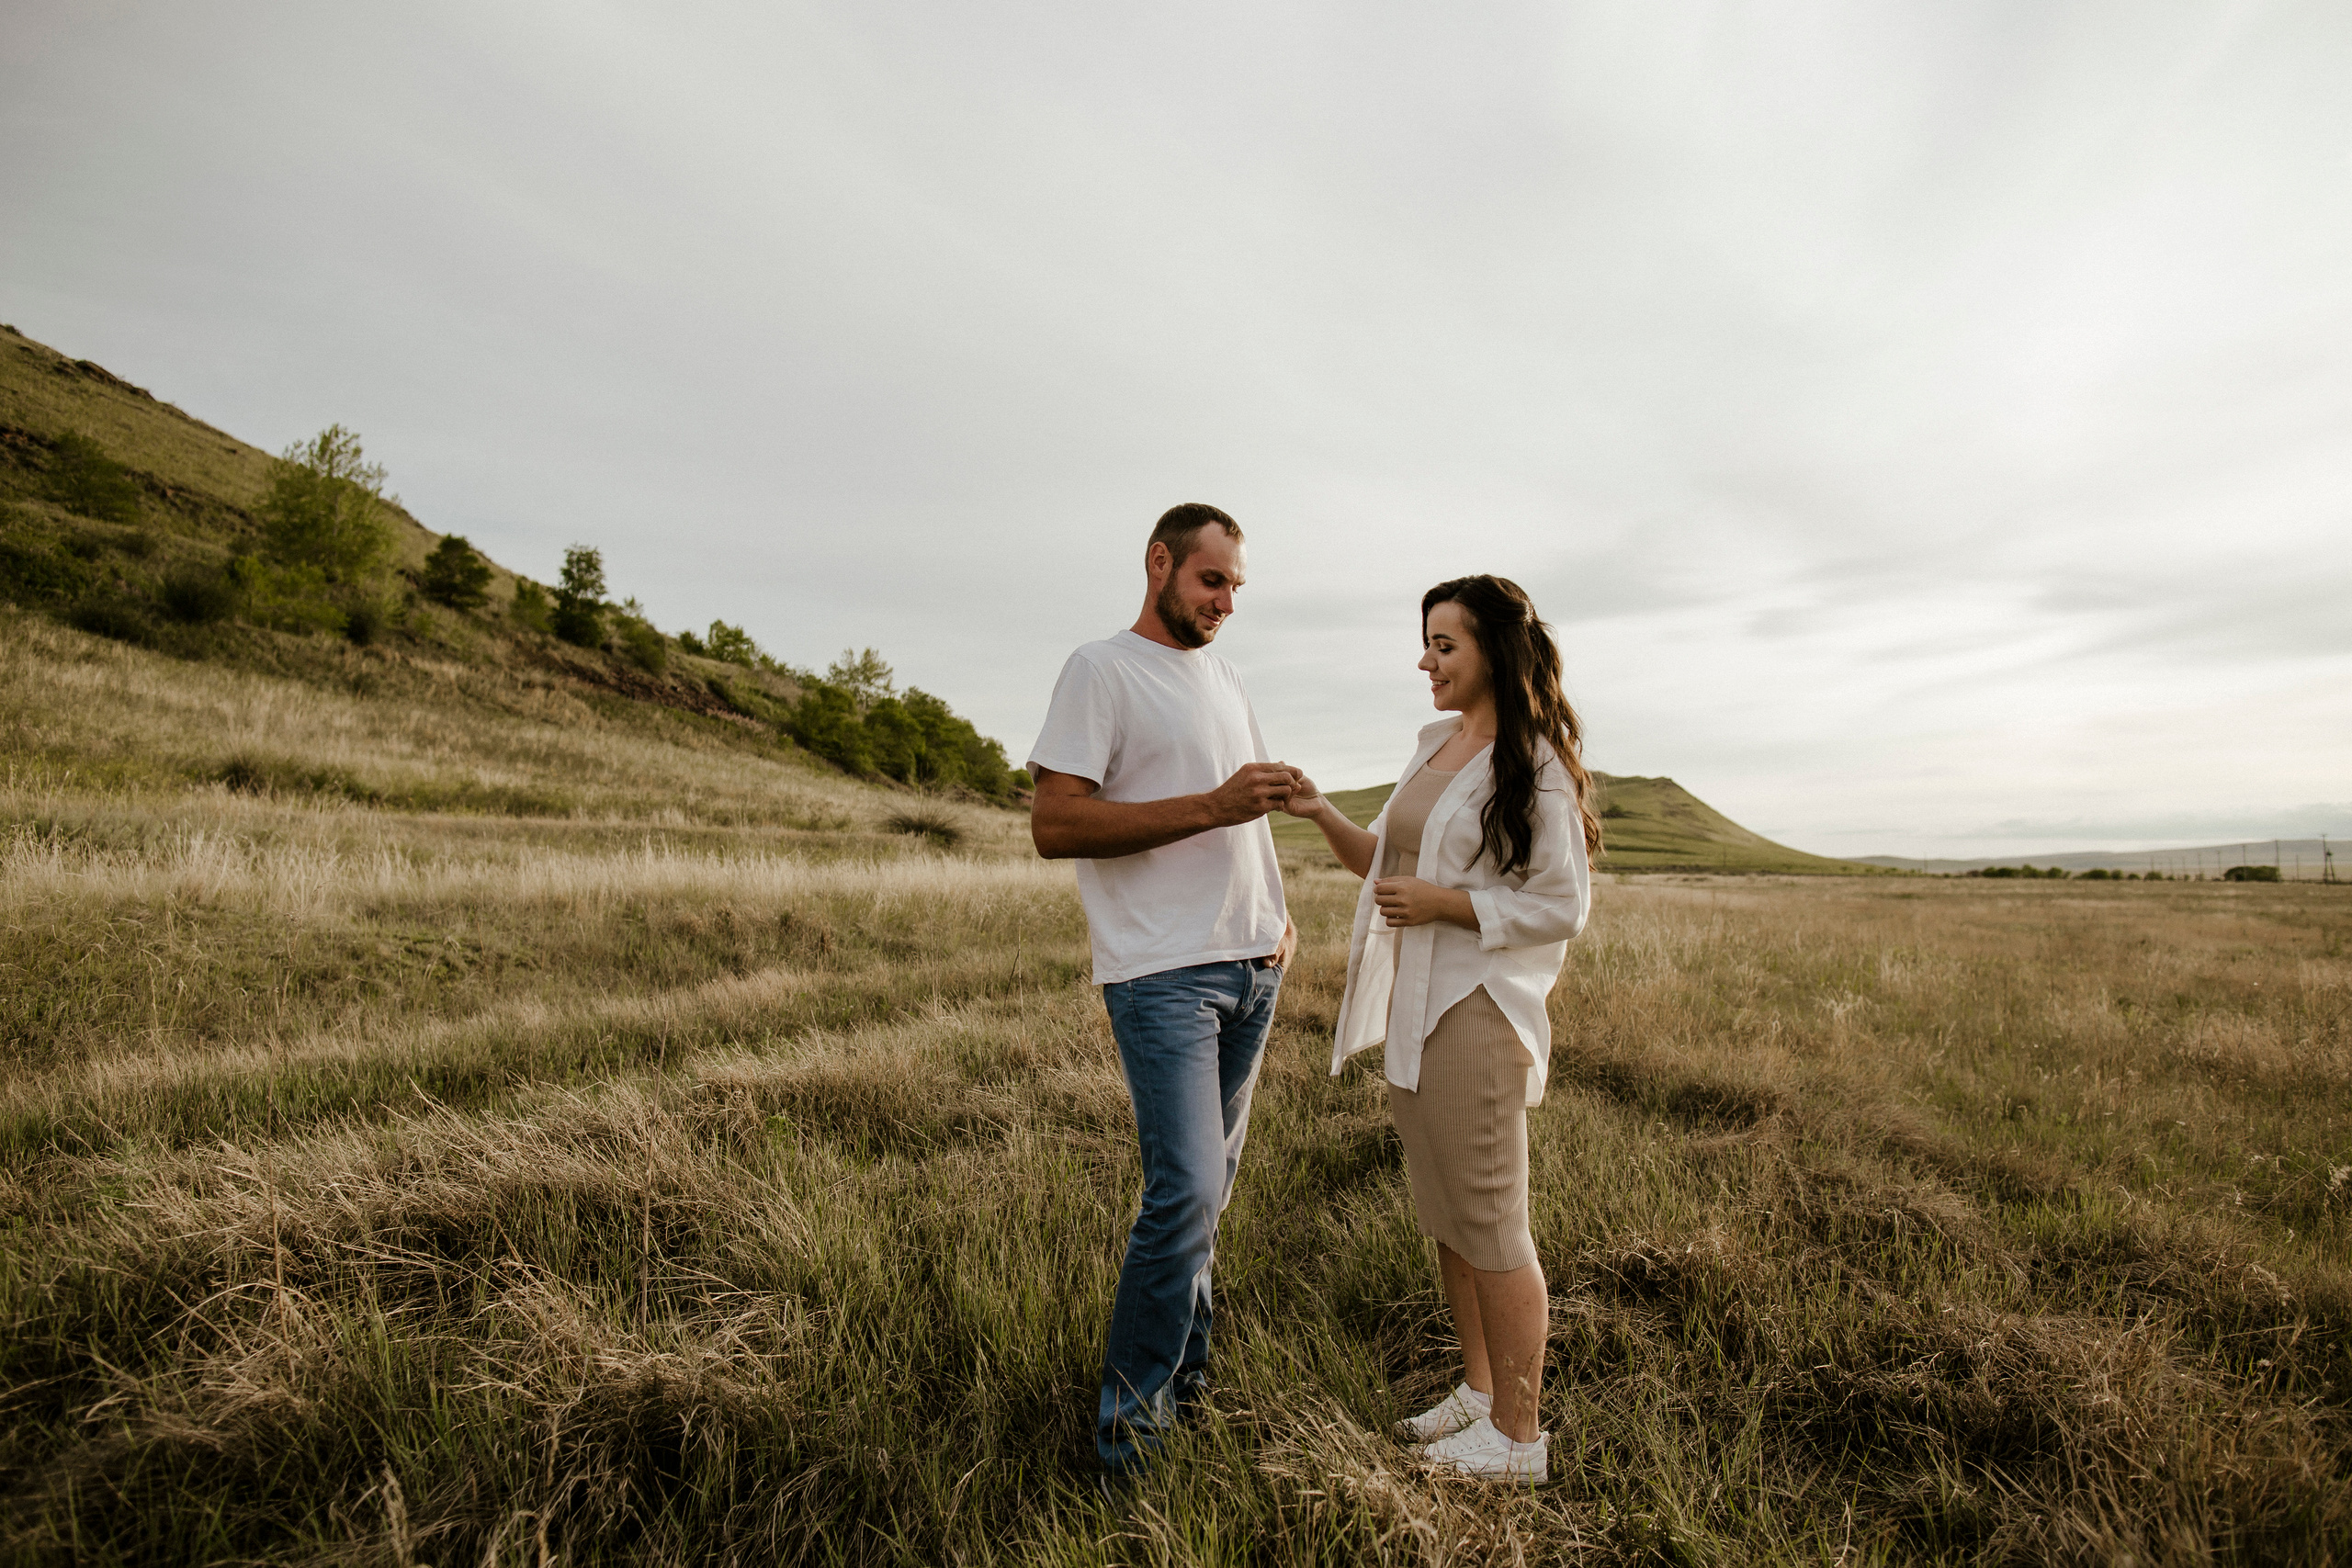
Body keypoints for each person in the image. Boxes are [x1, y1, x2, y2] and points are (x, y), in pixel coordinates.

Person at [1282, 574, 1599, 1483]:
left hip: (1481, 1012)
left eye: (1444, 645)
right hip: (1414, 1009)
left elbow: (1561, 906)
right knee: (1448, 1217)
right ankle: (1476, 1390)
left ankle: (1518, 1438)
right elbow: (1379, 863)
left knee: (1494, 1224)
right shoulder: (1434, 746)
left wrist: (1448, 904)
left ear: (1492, 651)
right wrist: (1317, 811)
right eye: (1425, 643)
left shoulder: (1532, 762)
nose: (1425, 660)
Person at [1027, 502, 1301, 1478]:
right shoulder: (1099, 670)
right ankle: (1129, 1444)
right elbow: (1056, 824)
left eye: (1235, 587)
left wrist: (1277, 917)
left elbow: (1248, 820)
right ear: (1159, 563)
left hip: (1251, 967)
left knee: (1209, 1196)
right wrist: (1213, 807)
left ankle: (1187, 1390)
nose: (1225, 602)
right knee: (1182, 1192)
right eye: (1210, 580)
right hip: (1162, 975)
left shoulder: (1224, 677)